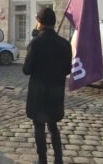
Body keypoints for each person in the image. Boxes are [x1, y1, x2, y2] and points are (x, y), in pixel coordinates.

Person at [23, 8, 72, 164]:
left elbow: (26, 69)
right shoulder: (65, 44)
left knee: (39, 127)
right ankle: (58, 159)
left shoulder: (36, 43)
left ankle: (42, 160)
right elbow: (68, 70)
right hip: (56, 92)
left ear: (40, 23)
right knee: (53, 126)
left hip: (38, 94)